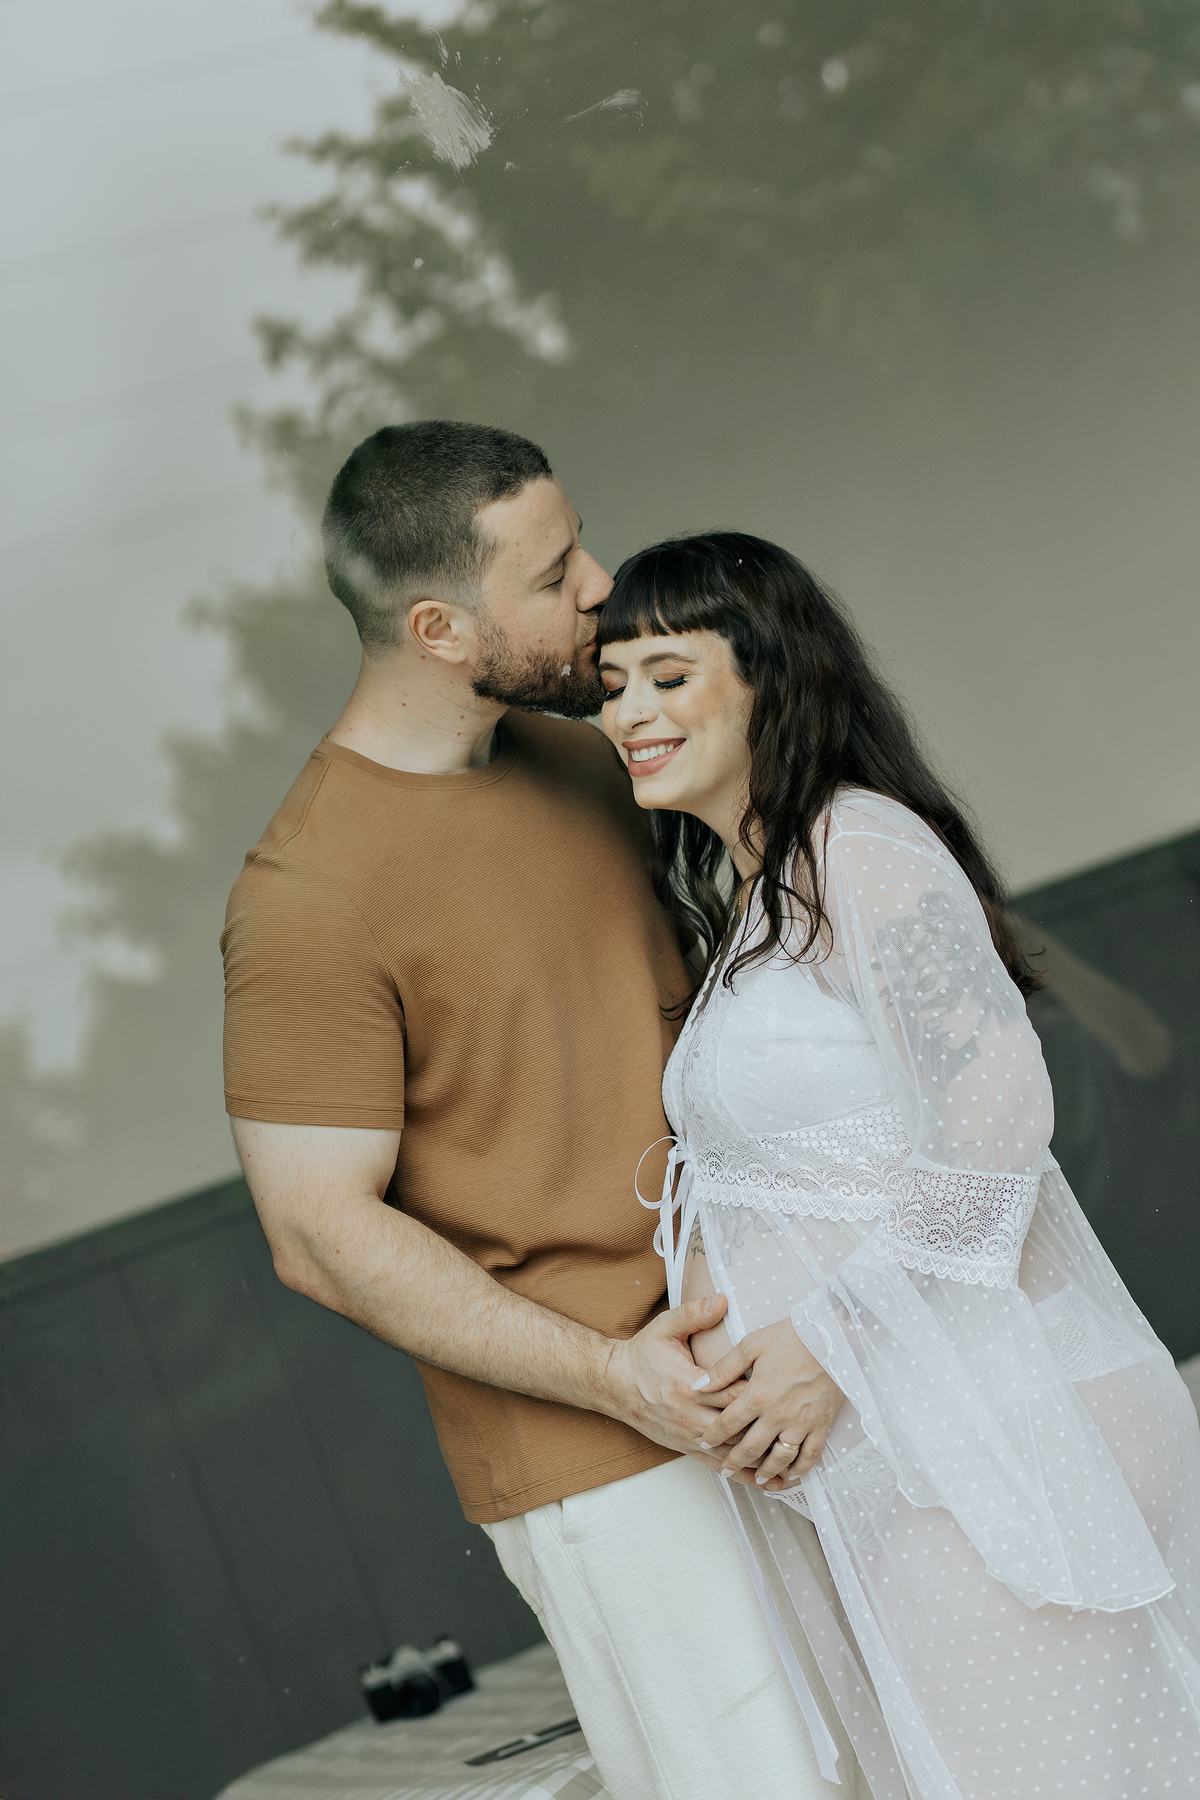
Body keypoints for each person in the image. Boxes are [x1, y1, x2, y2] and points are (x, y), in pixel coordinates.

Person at [221, 424, 868, 1799]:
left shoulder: (594, 762)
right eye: (553, 570)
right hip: (602, 1455)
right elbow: (317, 1232)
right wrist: (620, 1380)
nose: (600, 585)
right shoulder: (304, 899)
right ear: (440, 628)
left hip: (782, 1369)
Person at [597, 530, 1200, 1800]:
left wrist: (832, 1340)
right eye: (611, 685)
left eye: (667, 675)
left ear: (771, 676)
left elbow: (997, 1115)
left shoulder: (855, 846)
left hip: (1000, 1432)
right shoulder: (756, 894)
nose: (629, 712)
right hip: (921, 1449)